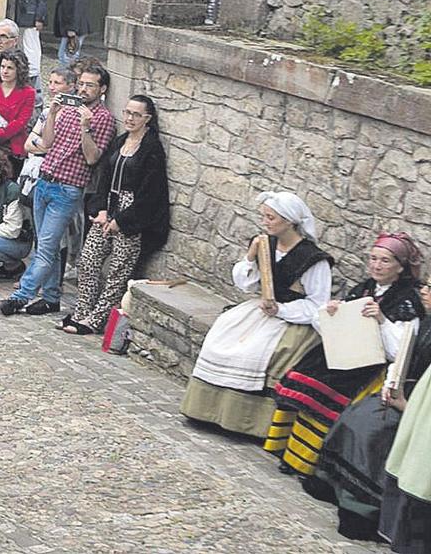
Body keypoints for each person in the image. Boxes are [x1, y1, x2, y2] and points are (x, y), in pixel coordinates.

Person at [266, 233, 422, 476]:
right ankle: (291, 454)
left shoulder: (408, 299)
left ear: (401, 267)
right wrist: (332, 312)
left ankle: (311, 463)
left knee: (328, 391)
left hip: (372, 364)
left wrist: (381, 319)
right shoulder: (366, 287)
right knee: (305, 374)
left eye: (385, 261)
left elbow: (402, 348)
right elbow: (332, 326)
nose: (376, 265)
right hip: (345, 352)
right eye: (373, 259)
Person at [183, 192, 334, 438]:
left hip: (292, 318)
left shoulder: (313, 259)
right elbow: (246, 284)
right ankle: (208, 410)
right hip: (261, 309)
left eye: (270, 217)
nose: (265, 221)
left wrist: (281, 310)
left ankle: (244, 421)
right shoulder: (266, 244)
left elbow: (318, 304)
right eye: (263, 216)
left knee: (253, 352)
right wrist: (251, 257)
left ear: (289, 220)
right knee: (220, 335)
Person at [308, 276, 431, 544]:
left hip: (422, 410)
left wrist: (405, 406)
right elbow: (405, 360)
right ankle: (336, 491)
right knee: (355, 414)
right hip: (410, 392)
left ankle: (365, 512)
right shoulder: (425, 322)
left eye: (430, 288)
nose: (424, 291)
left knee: (374, 430)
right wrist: (393, 385)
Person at [1, 62, 115, 316]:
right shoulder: (70, 107)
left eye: (90, 85)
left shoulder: (103, 118)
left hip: (68, 188)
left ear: (102, 89)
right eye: (82, 84)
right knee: (45, 244)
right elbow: (48, 142)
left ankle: (21, 296)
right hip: (45, 180)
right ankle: (51, 297)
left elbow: (93, 157)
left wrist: (87, 127)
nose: (84, 90)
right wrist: (52, 113)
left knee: (48, 247)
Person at [61, 94, 171, 335]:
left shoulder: (151, 149)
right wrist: (100, 210)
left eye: (136, 115)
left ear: (147, 119)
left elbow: (150, 193)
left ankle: (97, 319)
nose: (130, 118)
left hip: (131, 217)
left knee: (118, 272)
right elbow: (103, 177)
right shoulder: (121, 141)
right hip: (108, 208)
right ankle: (81, 312)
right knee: (88, 260)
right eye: (127, 113)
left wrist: (120, 221)